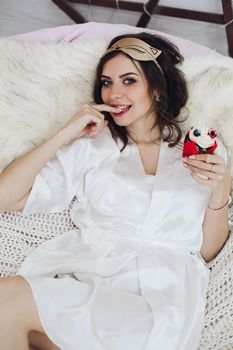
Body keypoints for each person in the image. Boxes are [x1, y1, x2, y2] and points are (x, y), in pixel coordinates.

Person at [0, 32, 231, 350]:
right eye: (106, 83)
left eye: (128, 80)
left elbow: (206, 252)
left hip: (163, 301)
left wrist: (221, 190)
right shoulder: (91, 147)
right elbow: (4, 197)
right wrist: (65, 132)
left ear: (157, 88)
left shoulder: (200, 150)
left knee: (7, 300)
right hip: (90, 283)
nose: (114, 93)